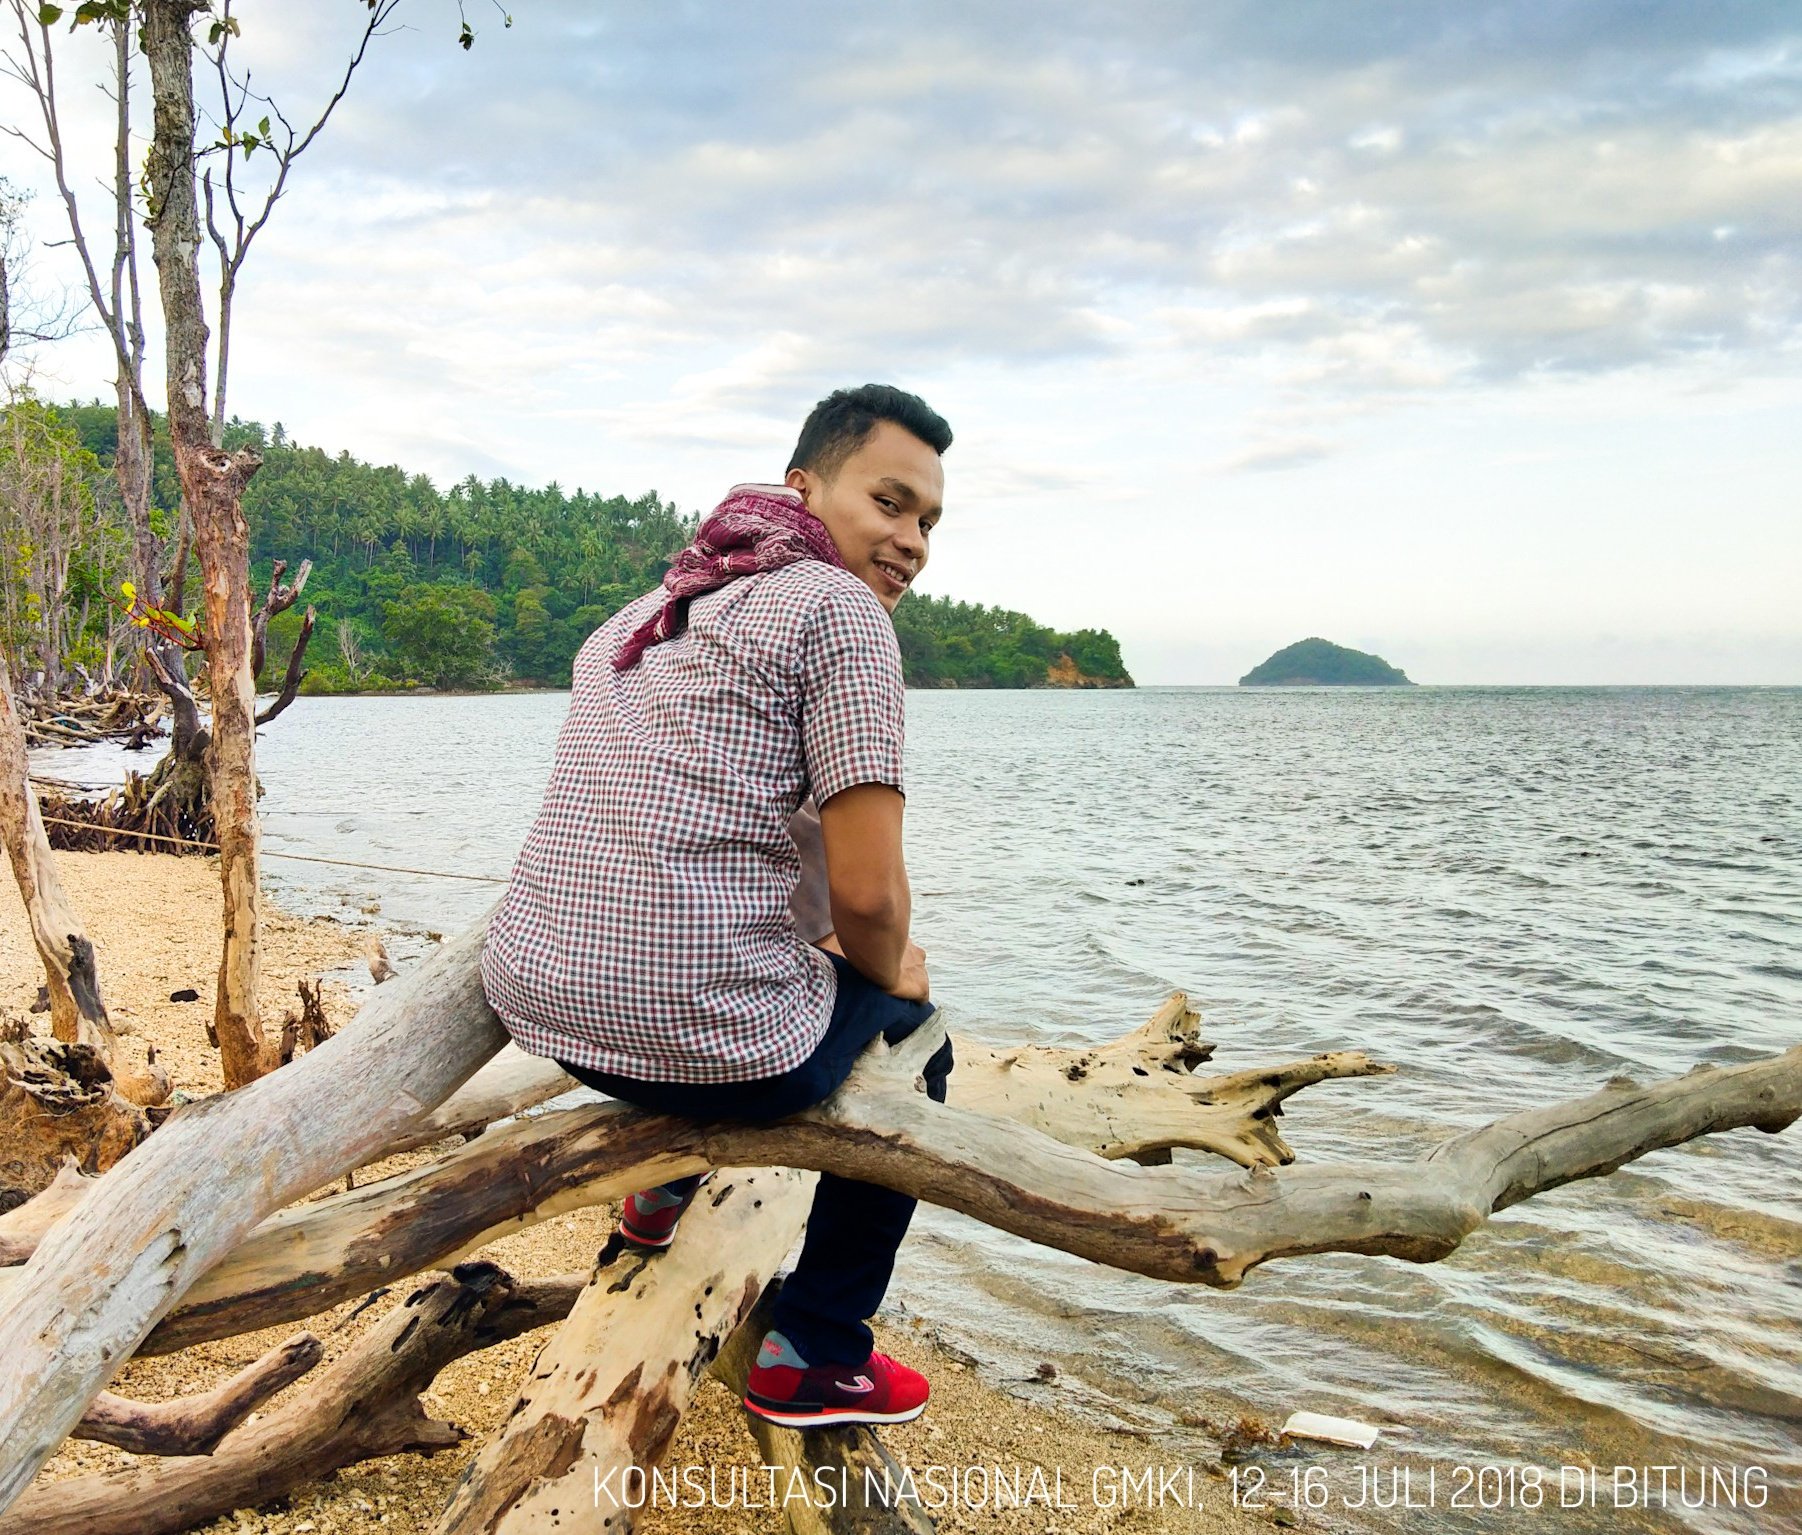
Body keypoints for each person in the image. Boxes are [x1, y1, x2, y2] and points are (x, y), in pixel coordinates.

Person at [481, 383, 954, 1428]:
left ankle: (656, 1183)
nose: (912, 539)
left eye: (928, 519)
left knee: (742, 964)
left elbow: (712, 834)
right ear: (804, 486)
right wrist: (893, 969)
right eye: (889, 501)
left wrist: (828, 940)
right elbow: (871, 895)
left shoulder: (640, 615)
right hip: (696, 1036)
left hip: (547, 1012)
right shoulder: (837, 611)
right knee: (916, 1037)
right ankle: (815, 1351)